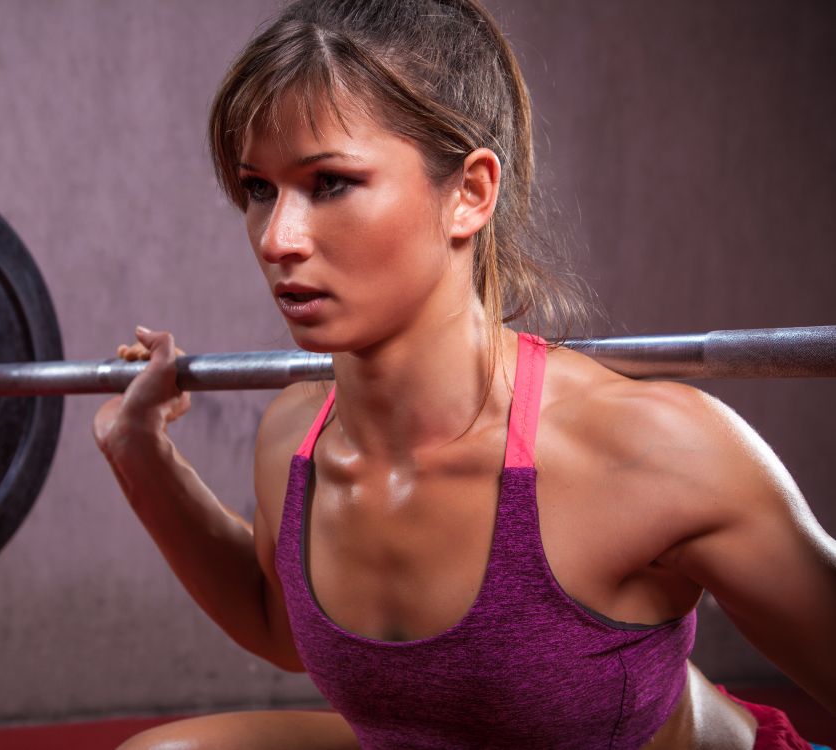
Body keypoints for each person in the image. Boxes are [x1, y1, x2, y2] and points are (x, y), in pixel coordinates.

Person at [92, 1, 836, 747]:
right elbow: (277, 624)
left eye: (329, 184)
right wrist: (141, 455)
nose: (278, 238)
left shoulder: (653, 451)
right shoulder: (295, 436)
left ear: (470, 193)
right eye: (259, 189)